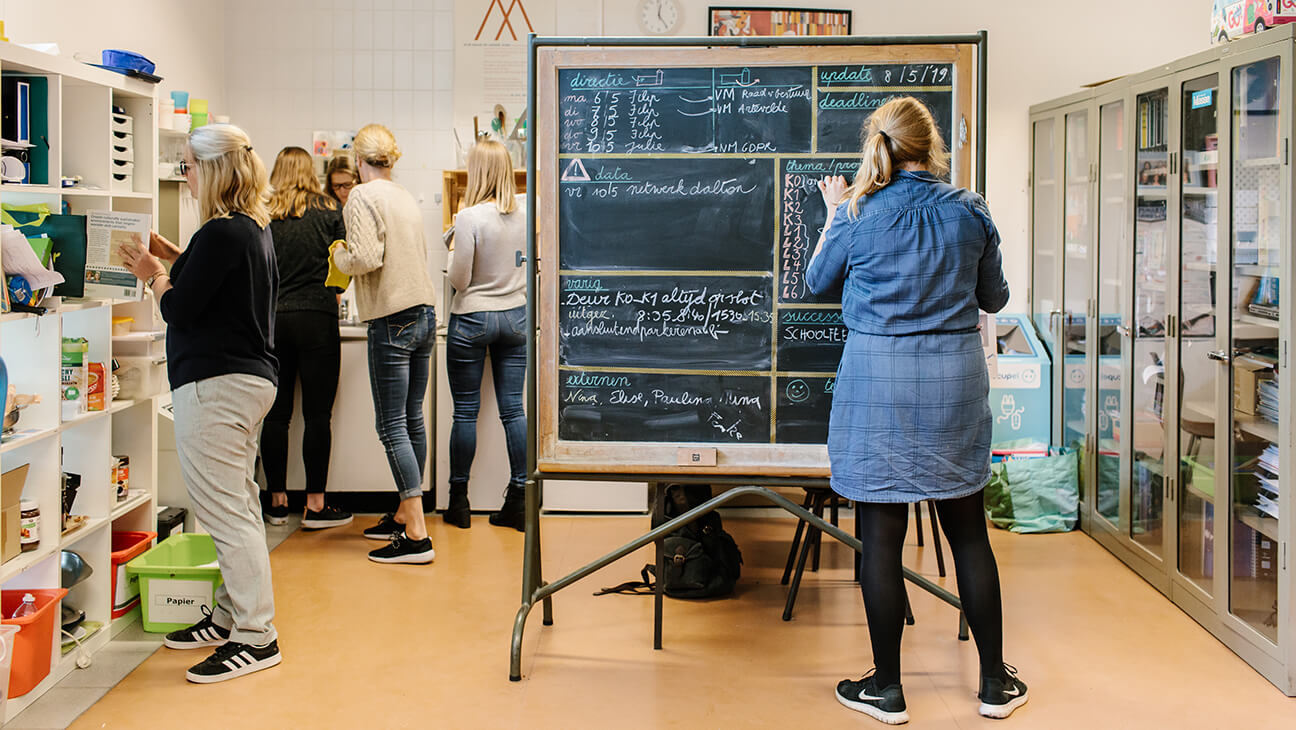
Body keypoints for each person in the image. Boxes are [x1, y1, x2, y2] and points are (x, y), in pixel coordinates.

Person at [805, 97, 1025, 724]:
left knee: (880, 538)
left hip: (876, 383)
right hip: (953, 383)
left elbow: (818, 282)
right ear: (932, 149)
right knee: (969, 536)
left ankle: (887, 688)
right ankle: (992, 685)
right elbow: (996, 295)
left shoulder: (855, 212)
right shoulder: (970, 210)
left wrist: (830, 213)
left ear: (880, 147)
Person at [118, 123, 283, 683]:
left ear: (211, 169)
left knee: (225, 512)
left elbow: (182, 310)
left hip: (216, 386)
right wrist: (174, 255)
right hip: (247, 382)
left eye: (187, 165)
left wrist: (154, 274)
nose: (184, 176)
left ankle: (257, 638)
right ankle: (233, 618)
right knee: (237, 504)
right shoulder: (247, 229)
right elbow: (219, 282)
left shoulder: (221, 232)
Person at [332, 124, 439, 564]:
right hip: (425, 314)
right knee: (412, 417)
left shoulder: (362, 196)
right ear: (390, 160)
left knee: (390, 425)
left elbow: (364, 258)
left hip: (391, 319)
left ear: (359, 161)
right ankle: (403, 512)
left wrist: (337, 254)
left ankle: (416, 533)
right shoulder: (403, 195)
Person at [259, 146, 352, 530]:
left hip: (274, 320)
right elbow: (343, 268)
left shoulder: (263, 214)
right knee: (317, 415)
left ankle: (277, 502)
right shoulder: (330, 210)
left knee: (276, 415)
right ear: (311, 173)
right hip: (318, 317)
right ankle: (315, 505)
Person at [442, 140, 527, 530]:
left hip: (473, 318)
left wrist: (452, 246)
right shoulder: (526, 208)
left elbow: (459, 279)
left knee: (465, 412)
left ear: (476, 171)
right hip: (515, 319)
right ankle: (520, 499)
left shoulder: (468, 217)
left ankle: (458, 502)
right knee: (514, 410)